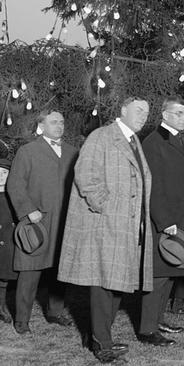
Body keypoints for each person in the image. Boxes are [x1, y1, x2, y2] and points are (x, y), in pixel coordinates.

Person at [57, 97, 154, 363]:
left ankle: (99, 336)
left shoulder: (134, 142)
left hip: (127, 226)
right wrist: (106, 206)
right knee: (102, 285)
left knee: (117, 285)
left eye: (147, 112)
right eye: (138, 110)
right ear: (123, 111)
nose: (143, 115)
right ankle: (102, 342)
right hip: (105, 225)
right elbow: (85, 174)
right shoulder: (101, 136)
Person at [140, 96, 184, 346]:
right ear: (165, 114)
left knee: (170, 271)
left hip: (180, 218)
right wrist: (164, 220)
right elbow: (152, 185)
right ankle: (147, 329)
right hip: (167, 221)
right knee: (158, 275)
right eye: (179, 113)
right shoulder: (154, 142)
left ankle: (157, 320)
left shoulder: (175, 139)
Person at [7, 109, 78, 334]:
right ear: (41, 126)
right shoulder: (27, 152)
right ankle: (21, 320)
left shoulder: (73, 152)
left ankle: (55, 312)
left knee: (60, 270)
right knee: (30, 273)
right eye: (54, 122)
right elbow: (15, 185)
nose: (59, 125)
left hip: (64, 222)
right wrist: (28, 211)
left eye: (62, 121)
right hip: (37, 223)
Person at [0, 158, 17, 324]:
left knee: (3, 276)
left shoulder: (13, 196)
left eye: (4, 173)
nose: (0, 176)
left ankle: (2, 307)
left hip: (7, 239)